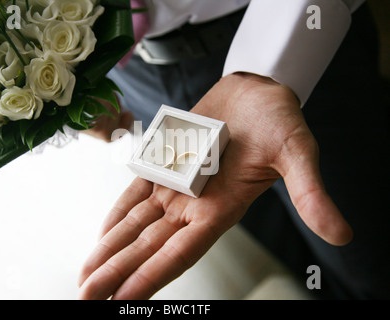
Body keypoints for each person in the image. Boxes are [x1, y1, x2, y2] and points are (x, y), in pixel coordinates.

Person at [78, 0, 390, 299]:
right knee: (276, 241)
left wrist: (264, 73)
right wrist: (73, 92)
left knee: (369, 258)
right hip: (134, 74)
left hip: (282, 35)